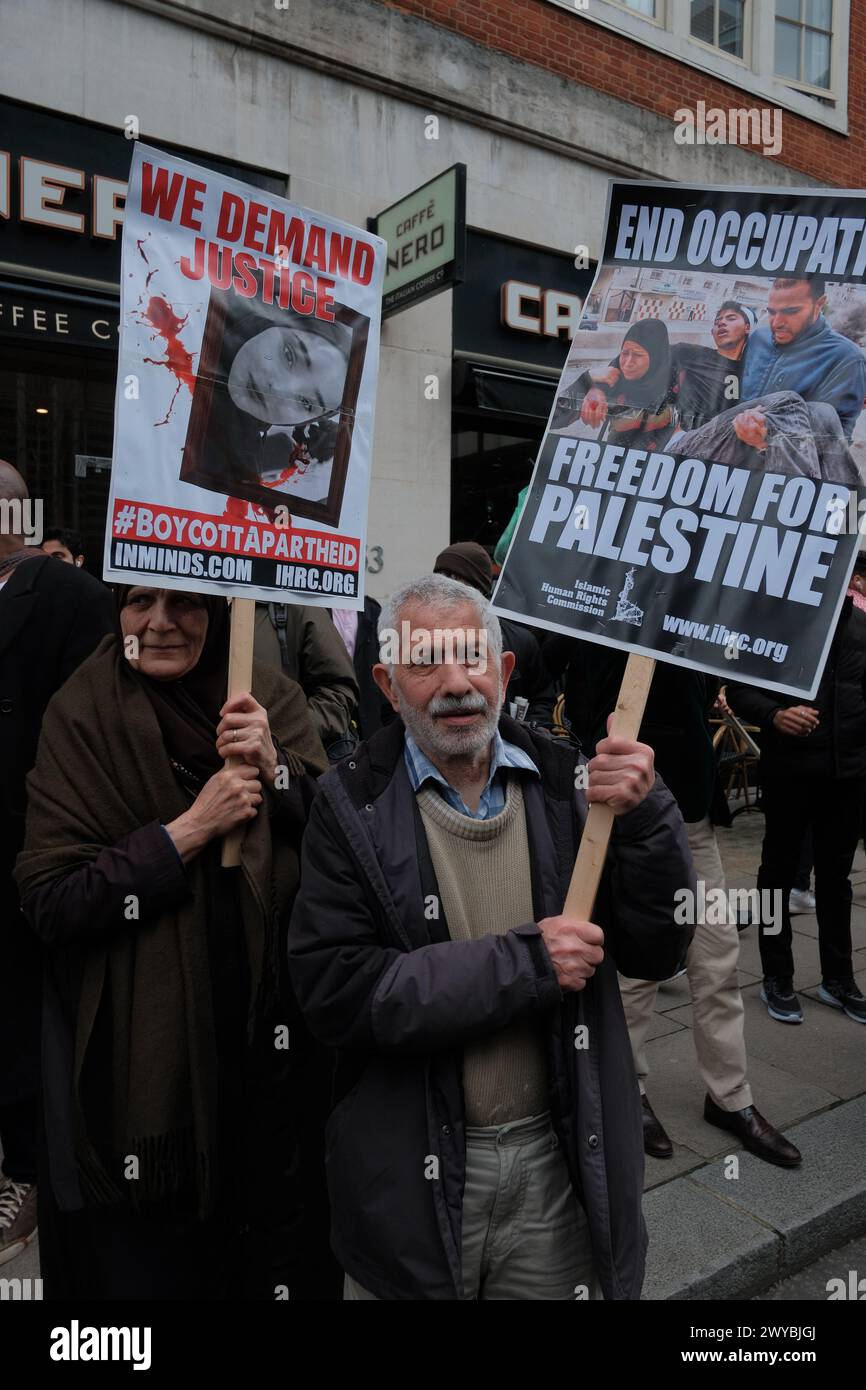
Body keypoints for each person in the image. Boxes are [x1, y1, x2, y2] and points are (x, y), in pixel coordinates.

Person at [288, 573, 694, 1300]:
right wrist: (528, 963)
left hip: (557, 1162)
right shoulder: (347, 805)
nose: (455, 684)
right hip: (410, 1171)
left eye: (472, 657)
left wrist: (648, 814)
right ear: (385, 683)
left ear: (504, 671)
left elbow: (658, 948)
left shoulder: (576, 786)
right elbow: (339, 993)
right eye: (425, 662)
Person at [14, 585, 334, 1298]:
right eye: (137, 602)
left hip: (266, 1058)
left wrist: (278, 771)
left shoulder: (266, 695)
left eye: (184, 603)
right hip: (134, 1076)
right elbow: (51, 899)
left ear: (220, 613)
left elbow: (342, 849)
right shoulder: (81, 712)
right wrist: (185, 833)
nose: (158, 622)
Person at [545, 641, 801, 1168]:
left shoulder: (696, 619)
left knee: (717, 958)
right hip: (629, 820)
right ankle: (628, 1090)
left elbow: (705, 696)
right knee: (640, 970)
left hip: (692, 816)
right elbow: (583, 700)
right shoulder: (609, 620)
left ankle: (730, 1098)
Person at [0, 461, 114, 1269]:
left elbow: (91, 725)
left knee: (26, 1029)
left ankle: (30, 1172)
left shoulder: (67, 596)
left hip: (33, 849)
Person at [727, 570, 866, 1026]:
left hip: (847, 773)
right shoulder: (776, 618)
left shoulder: (860, 624)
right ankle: (776, 976)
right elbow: (739, 688)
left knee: (835, 878)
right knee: (777, 873)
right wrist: (776, 714)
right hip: (790, 771)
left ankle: (839, 978)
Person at [433, 541, 556, 725]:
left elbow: (542, 698)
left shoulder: (519, 640)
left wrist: (529, 731)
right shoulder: (421, 639)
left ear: (477, 587)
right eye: (439, 576)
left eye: (453, 577)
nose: (443, 585)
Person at [741, 275, 866, 442]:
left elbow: (836, 443)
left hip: (781, 466)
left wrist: (768, 442)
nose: (777, 323)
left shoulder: (847, 359)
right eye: (772, 312)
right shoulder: (758, 338)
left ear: (819, 305)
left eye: (791, 311)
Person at [253, 600, 359, 758]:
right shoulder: (206, 601)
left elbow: (339, 693)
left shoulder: (297, 605)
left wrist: (283, 733)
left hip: (285, 765)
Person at [552, 319, 676, 454]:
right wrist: (587, 380)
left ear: (655, 357)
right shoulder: (614, 374)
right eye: (625, 353)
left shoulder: (677, 378)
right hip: (614, 457)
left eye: (638, 355)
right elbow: (555, 419)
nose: (628, 363)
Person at [330, 597, 394, 741]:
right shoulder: (311, 608)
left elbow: (388, 672)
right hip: (329, 728)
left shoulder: (373, 611)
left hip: (369, 730)